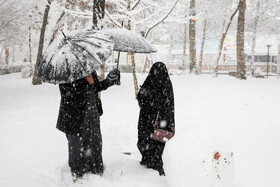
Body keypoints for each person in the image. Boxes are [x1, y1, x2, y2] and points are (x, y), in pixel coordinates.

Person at [56, 69, 120, 181]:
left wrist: (109, 81)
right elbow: (66, 92)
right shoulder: (67, 71)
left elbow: (95, 87)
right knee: (76, 144)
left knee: (94, 142)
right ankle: (78, 171)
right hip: (74, 116)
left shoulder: (87, 68)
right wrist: (86, 83)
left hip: (91, 114)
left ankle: (94, 166)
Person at [137, 62, 175, 176]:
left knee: (150, 138)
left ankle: (150, 159)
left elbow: (166, 103)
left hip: (153, 118)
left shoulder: (150, 82)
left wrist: (145, 96)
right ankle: (153, 159)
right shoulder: (165, 83)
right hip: (156, 119)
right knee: (156, 140)